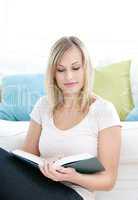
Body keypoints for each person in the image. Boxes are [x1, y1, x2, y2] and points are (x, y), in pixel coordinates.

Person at [0, 36, 122, 200]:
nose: (69, 77)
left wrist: (71, 176)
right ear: (53, 74)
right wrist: (44, 163)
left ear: (86, 69)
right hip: (39, 184)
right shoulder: (43, 105)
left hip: (74, 194)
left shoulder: (104, 111)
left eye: (75, 68)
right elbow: (25, 156)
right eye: (61, 70)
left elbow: (108, 181)